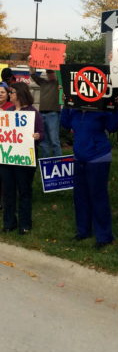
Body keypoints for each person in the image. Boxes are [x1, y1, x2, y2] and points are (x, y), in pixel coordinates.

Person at [61, 99, 118, 248]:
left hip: (98, 156)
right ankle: (83, 231)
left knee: (98, 196)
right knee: (80, 196)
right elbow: (65, 124)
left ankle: (103, 236)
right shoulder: (74, 109)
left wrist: (114, 107)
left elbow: (113, 126)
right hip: (79, 157)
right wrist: (67, 105)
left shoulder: (100, 107)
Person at [1, 83, 42, 234]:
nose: (10, 95)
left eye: (12, 92)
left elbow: (41, 133)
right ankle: (9, 222)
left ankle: (25, 224)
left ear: (20, 94)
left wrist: (37, 136)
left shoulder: (33, 113)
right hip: (7, 158)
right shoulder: (8, 112)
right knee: (8, 191)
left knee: (24, 191)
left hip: (24, 159)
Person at [29, 59, 63, 158]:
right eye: (48, 72)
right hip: (42, 114)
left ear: (55, 73)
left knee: (54, 140)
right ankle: (46, 162)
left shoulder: (58, 83)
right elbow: (33, 74)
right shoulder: (43, 82)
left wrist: (62, 60)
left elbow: (63, 74)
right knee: (44, 141)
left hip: (53, 114)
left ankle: (59, 161)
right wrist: (30, 62)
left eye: (51, 72)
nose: (50, 74)